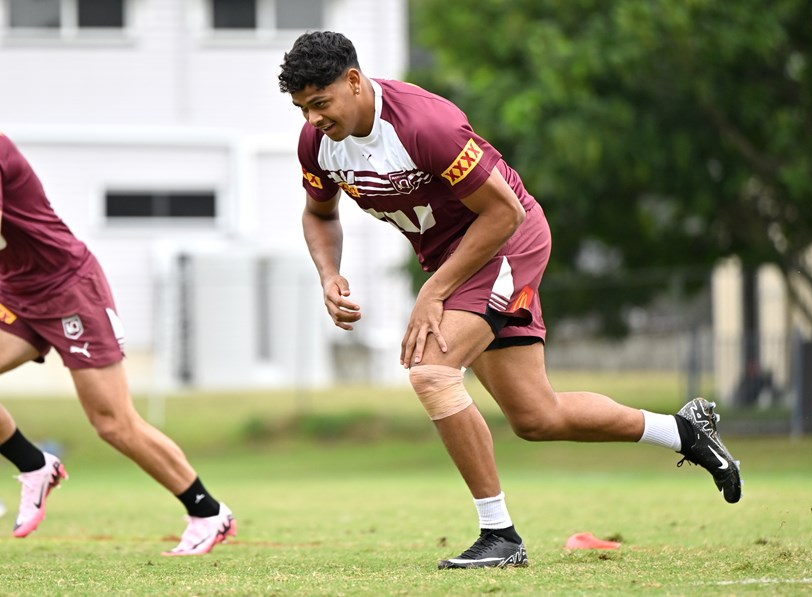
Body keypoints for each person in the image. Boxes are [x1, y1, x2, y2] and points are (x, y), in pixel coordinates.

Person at [277, 31, 742, 569]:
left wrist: (434, 291)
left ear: (354, 81)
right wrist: (329, 274)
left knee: (431, 371)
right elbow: (319, 213)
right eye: (301, 108)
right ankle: (683, 430)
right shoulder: (317, 143)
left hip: (506, 239)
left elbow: (504, 215)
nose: (312, 119)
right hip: (460, 256)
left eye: (320, 103)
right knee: (535, 417)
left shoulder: (427, 125)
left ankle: (500, 536)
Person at [0, 133, 235, 555]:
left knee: (113, 423)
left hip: (68, 287)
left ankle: (208, 511)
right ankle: (34, 465)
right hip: (15, 288)